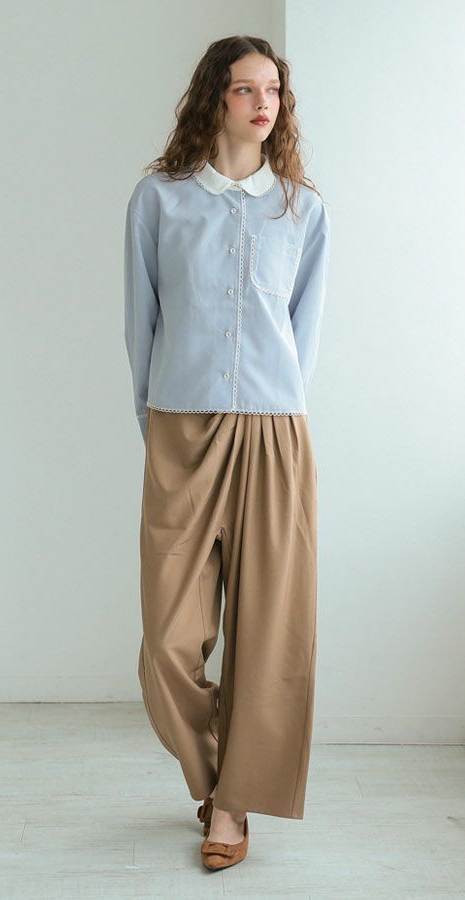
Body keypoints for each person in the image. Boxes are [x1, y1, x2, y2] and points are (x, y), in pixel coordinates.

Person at [124, 34, 331, 870]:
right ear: (213, 96)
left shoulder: (302, 209)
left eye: (272, 90)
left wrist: (280, 419)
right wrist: (158, 429)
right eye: (244, 89)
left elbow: (303, 335)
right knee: (169, 639)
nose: (262, 103)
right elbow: (140, 325)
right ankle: (215, 772)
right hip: (180, 424)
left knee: (270, 631)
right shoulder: (159, 200)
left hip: (274, 431)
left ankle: (233, 807)